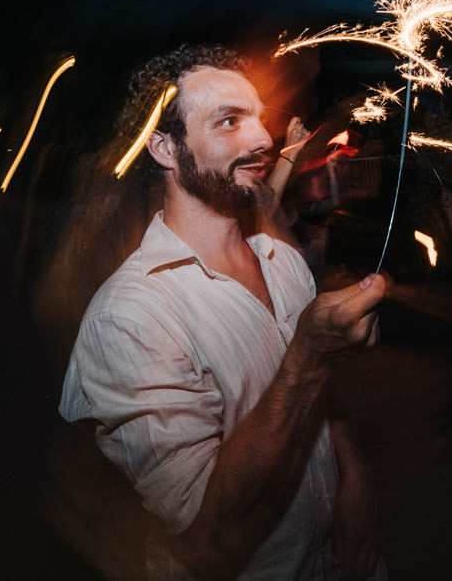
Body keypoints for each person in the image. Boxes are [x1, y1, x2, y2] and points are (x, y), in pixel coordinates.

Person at [58, 44, 387, 580]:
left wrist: (355, 471)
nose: (263, 139)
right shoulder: (132, 316)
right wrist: (307, 356)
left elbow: (320, 400)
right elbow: (201, 527)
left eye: (258, 118)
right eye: (228, 121)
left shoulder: (280, 258)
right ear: (165, 148)